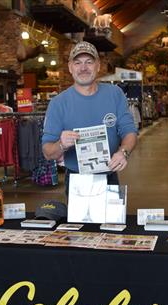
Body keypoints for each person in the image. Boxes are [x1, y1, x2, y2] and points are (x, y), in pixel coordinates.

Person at [42, 41, 138, 193]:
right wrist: (61, 144)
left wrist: (123, 152)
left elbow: (129, 131)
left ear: (98, 66)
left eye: (89, 62)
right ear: (70, 67)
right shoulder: (58, 103)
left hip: (110, 176)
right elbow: (47, 152)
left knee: (112, 217)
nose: (83, 68)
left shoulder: (115, 94)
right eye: (78, 62)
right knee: (77, 219)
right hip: (76, 180)